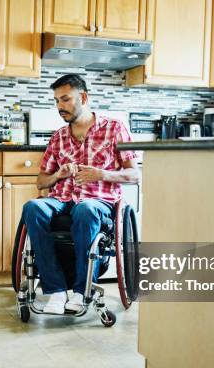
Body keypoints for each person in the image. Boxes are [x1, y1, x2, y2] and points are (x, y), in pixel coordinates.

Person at [21, 74, 139, 314]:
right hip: (61, 199)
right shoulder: (58, 137)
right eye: (56, 101)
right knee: (32, 207)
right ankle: (55, 291)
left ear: (83, 97)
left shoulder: (114, 129)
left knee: (86, 210)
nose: (59, 106)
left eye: (65, 99)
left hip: (99, 201)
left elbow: (135, 175)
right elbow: (41, 182)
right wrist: (59, 175)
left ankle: (80, 291)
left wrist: (102, 174)